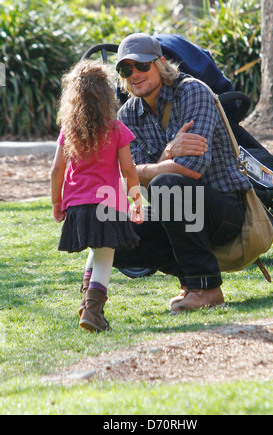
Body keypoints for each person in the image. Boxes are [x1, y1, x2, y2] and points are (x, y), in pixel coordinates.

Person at [112, 33, 252, 313]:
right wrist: (167, 155)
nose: (135, 74)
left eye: (142, 65)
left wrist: (152, 169)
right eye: (126, 69)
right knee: (108, 231)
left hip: (225, 211)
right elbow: (131, 178)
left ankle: (207, 287)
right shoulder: (126, 115)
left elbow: (191, 169)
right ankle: (189, 281)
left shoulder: (193, 92)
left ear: (161, 63)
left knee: (168, 184)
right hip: (175, 211)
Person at [51, 59, 144, 333]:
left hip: (78, 205)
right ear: (107, 95)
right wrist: (137, 201)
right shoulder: (116, 129)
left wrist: (57, 201)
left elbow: (57, 169)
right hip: (108, 205)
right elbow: (129, 169)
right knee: (105, 256)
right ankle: (93, 312)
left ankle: (86, 304)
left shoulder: (69, 131)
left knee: (96, 249)